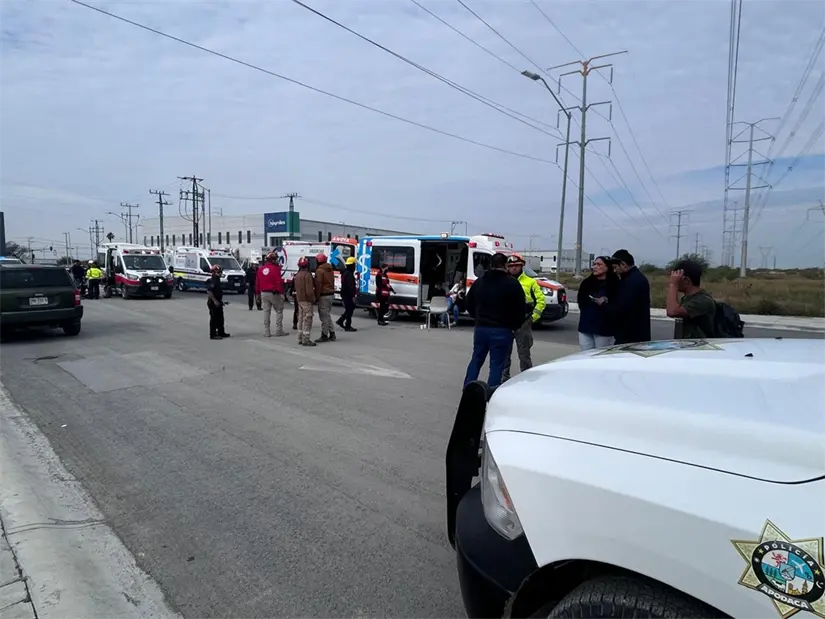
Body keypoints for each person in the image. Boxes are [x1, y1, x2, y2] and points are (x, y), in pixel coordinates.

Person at [463, 253, 527, 390]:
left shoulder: (479, 282)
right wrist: (514, 325)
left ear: (490, 265)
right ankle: (490, 392)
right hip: (502, 330)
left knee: (476, 359)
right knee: (496, 364)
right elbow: (521, 309)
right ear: (505, 265)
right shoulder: (512, 284)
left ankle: (468, 389)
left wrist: (478, 317)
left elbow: (468, 303)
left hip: (481, 329)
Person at [501, 254, 546, 383]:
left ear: (522, 266)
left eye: (516, 266)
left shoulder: (530, 282)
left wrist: (532, 319)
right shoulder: (504, 281)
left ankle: (527, 381)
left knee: (524, 355)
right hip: (506, 323)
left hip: (523, 323)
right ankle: (503, 380)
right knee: (504, 354)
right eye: (511, 266)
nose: (513, 268)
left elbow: (541, 301)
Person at [666, 259, 717, 339]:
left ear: (686, 281)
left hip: (701, 348)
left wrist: (673, 285)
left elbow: (672, 312)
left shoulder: (702, 300)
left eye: (677, 279)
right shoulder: (689, 299)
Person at [576, 256, 620, 350]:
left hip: (604, 329)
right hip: (586, 326)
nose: (595, 267)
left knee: (600, 358)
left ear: (607, 267)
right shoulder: (587, 283)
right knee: (586, 356)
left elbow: (618, 306)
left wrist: (605, 303)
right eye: (594, 264)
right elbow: (580, 301)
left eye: (599, 264)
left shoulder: (614, 284)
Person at [609, 249, 651, 344]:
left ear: (623, 264)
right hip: (636, 335)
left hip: (630, 337)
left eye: (616, 267)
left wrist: (607, 305)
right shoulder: (635, 278)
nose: (615, 271)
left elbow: (623, 307)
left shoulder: (631, 282)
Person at [256, 253, 288, 337]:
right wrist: (282, 293)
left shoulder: (260, 269)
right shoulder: (275, 269)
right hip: (274, 293)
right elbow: (278, 282)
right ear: (273, 260)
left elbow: (257, 283)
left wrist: (257, 294)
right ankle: (279, 330)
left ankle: (267, 331)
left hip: (264, 293)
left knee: (266, 312)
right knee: (279, 311)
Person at [294, 257, 317, 346]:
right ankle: (306, 339)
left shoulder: (298, 275)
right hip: (307, 301)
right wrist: (313, 299)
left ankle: (300, 337)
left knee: (301, 319)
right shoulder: (307, 275)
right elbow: (309, 291)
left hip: (299, 300)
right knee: (308, 320)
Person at [313, 253, 336, 342]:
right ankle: (332, 333)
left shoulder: (319, 271)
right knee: (327, 315)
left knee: (323, 316)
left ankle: (324, 334)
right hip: (331, 294)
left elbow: (318, 285)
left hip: (324, 295)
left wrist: (316, 297)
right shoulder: (330, 269)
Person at [206, 264, 230, 340]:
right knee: (214, 319)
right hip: (213, 303)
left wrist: (222, 302)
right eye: (218, 272)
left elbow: (217, 292)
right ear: (214, 272)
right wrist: (215, 301)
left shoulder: (217, 280)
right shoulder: (213, 280)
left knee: (220, 318)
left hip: (218, 302)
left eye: (220, 272)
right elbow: (209, 292)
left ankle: (221, 332)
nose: (220, 273)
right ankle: (213, 334)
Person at [336, 256, 358, 332]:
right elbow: (350, 286)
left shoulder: (346, 272)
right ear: (352, 265)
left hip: (345, 293)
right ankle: (347, 325)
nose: (355, 266)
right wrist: (353, 295)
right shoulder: (348, 274)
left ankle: (341, 320)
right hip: (348, 294)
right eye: (354, 265)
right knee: (350, 309)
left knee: (349, 309)